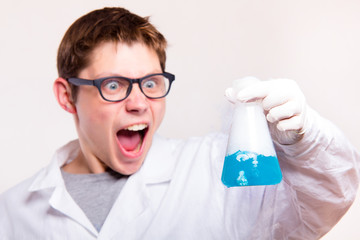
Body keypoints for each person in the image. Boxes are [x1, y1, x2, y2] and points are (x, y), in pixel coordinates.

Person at [0, 7, 358, 240]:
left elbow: (323, 204)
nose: (139, 103)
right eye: (114, 85)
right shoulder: (13, 213)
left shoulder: (216, 168)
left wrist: (304, 141)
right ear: (67, 96)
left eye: (151, 84)